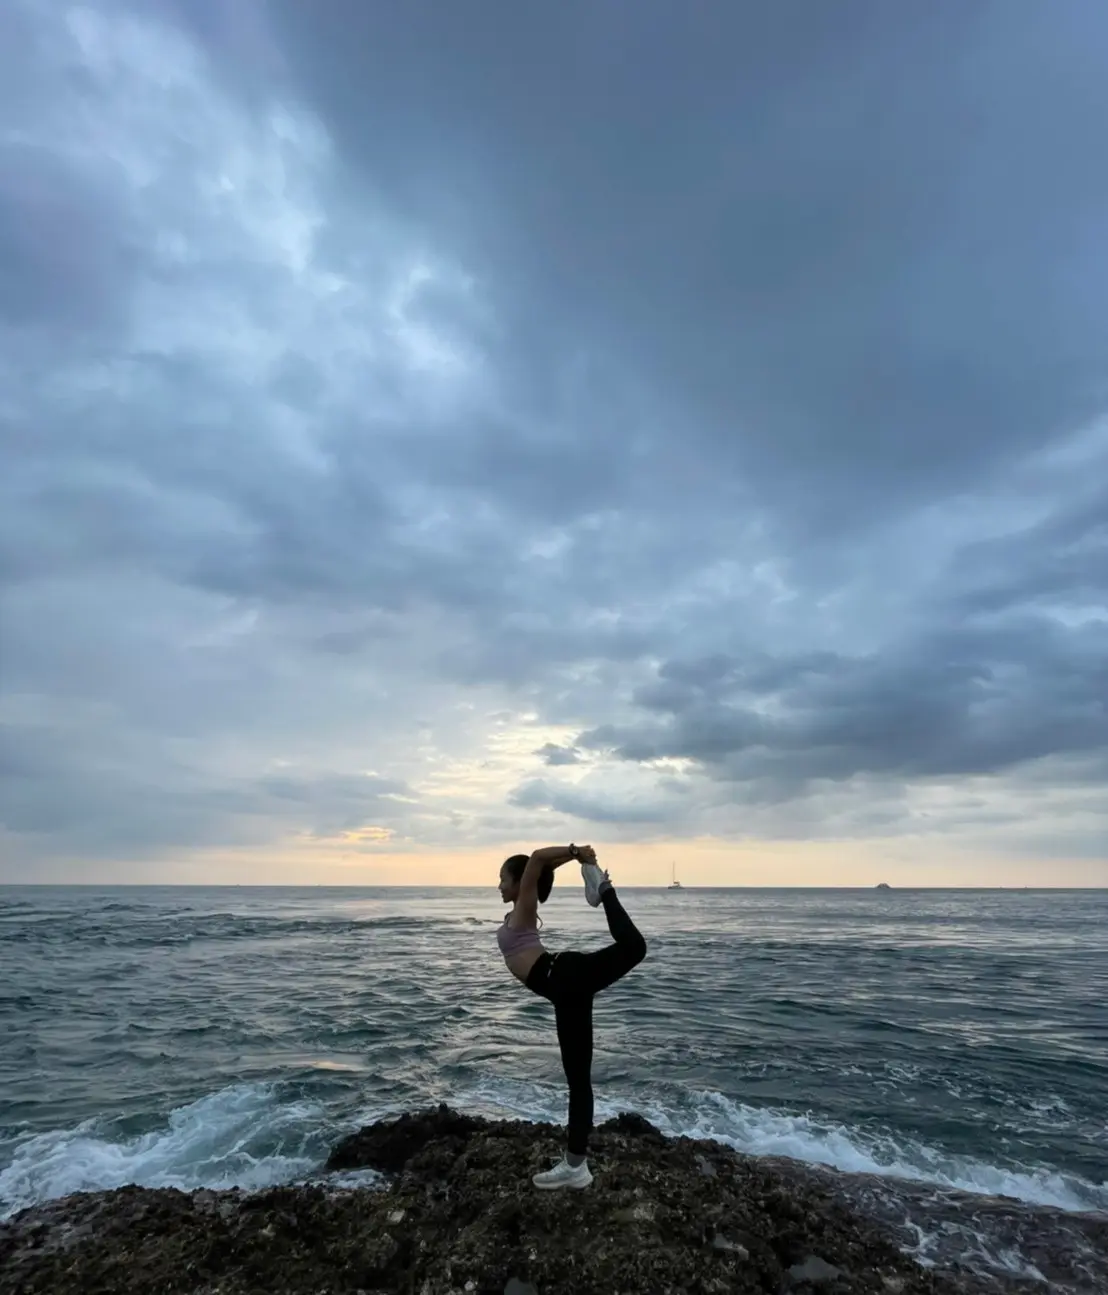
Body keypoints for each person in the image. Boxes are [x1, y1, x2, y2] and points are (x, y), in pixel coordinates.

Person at [497, 843, 647, 1190]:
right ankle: (576, 1166)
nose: (499, 886)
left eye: (503, 879)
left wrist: (573, 850)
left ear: (521, 883)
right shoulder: (520, 910)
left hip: (565, 976)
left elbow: (536, 859)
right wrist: (576, 859)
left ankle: (603, 888)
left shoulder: (524, 908)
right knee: (578, 1081)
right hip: (565, 989)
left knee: (635, 947)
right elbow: (542, 866)